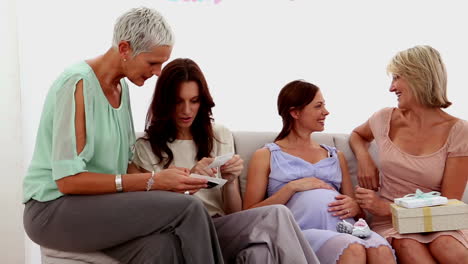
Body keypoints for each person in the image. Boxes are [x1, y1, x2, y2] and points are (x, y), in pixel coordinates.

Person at [23, 7, 225, 264]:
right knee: (191, 210)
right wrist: (153, 181)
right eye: (153, 62)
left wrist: (174, 182)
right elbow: (68, 181)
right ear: (125, 49)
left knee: (162, 246)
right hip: (53, 210)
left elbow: (126, 166)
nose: (158, 72)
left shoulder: (122, 89)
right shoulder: (77, 84)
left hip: (97, 206)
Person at [130, 58, 319, 264]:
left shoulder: (219, 135)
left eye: (194, 101)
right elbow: (153, 213)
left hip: (221, 229)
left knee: (258, 254)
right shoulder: (146, 147)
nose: (186, 110)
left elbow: (234, 212)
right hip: (184, 233)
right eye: (178, 101)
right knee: (277, 214)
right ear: (165, 102)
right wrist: (189, 179)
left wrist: (230, 180)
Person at [243, 80, 395, 264]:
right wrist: (291, 187)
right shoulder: (267, 155)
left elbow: (358, 212)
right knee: (352, 249)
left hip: (346, 228)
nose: (326, 112)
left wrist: (356, 207)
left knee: (381, 251)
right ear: (295, 112)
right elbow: (249, 214)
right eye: (318, 106)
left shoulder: (335, 155)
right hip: (300, 232)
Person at [350, 45, 468, 264]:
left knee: (448, 247)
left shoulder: (459, 131)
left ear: (419, 77)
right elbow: (357, 135)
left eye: (397, 77)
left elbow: (450, 203)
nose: (391, 87)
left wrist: (388, 208)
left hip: (438, 221)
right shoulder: (384, 118)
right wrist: (364, 158)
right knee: (408, 245)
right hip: (390, 223)